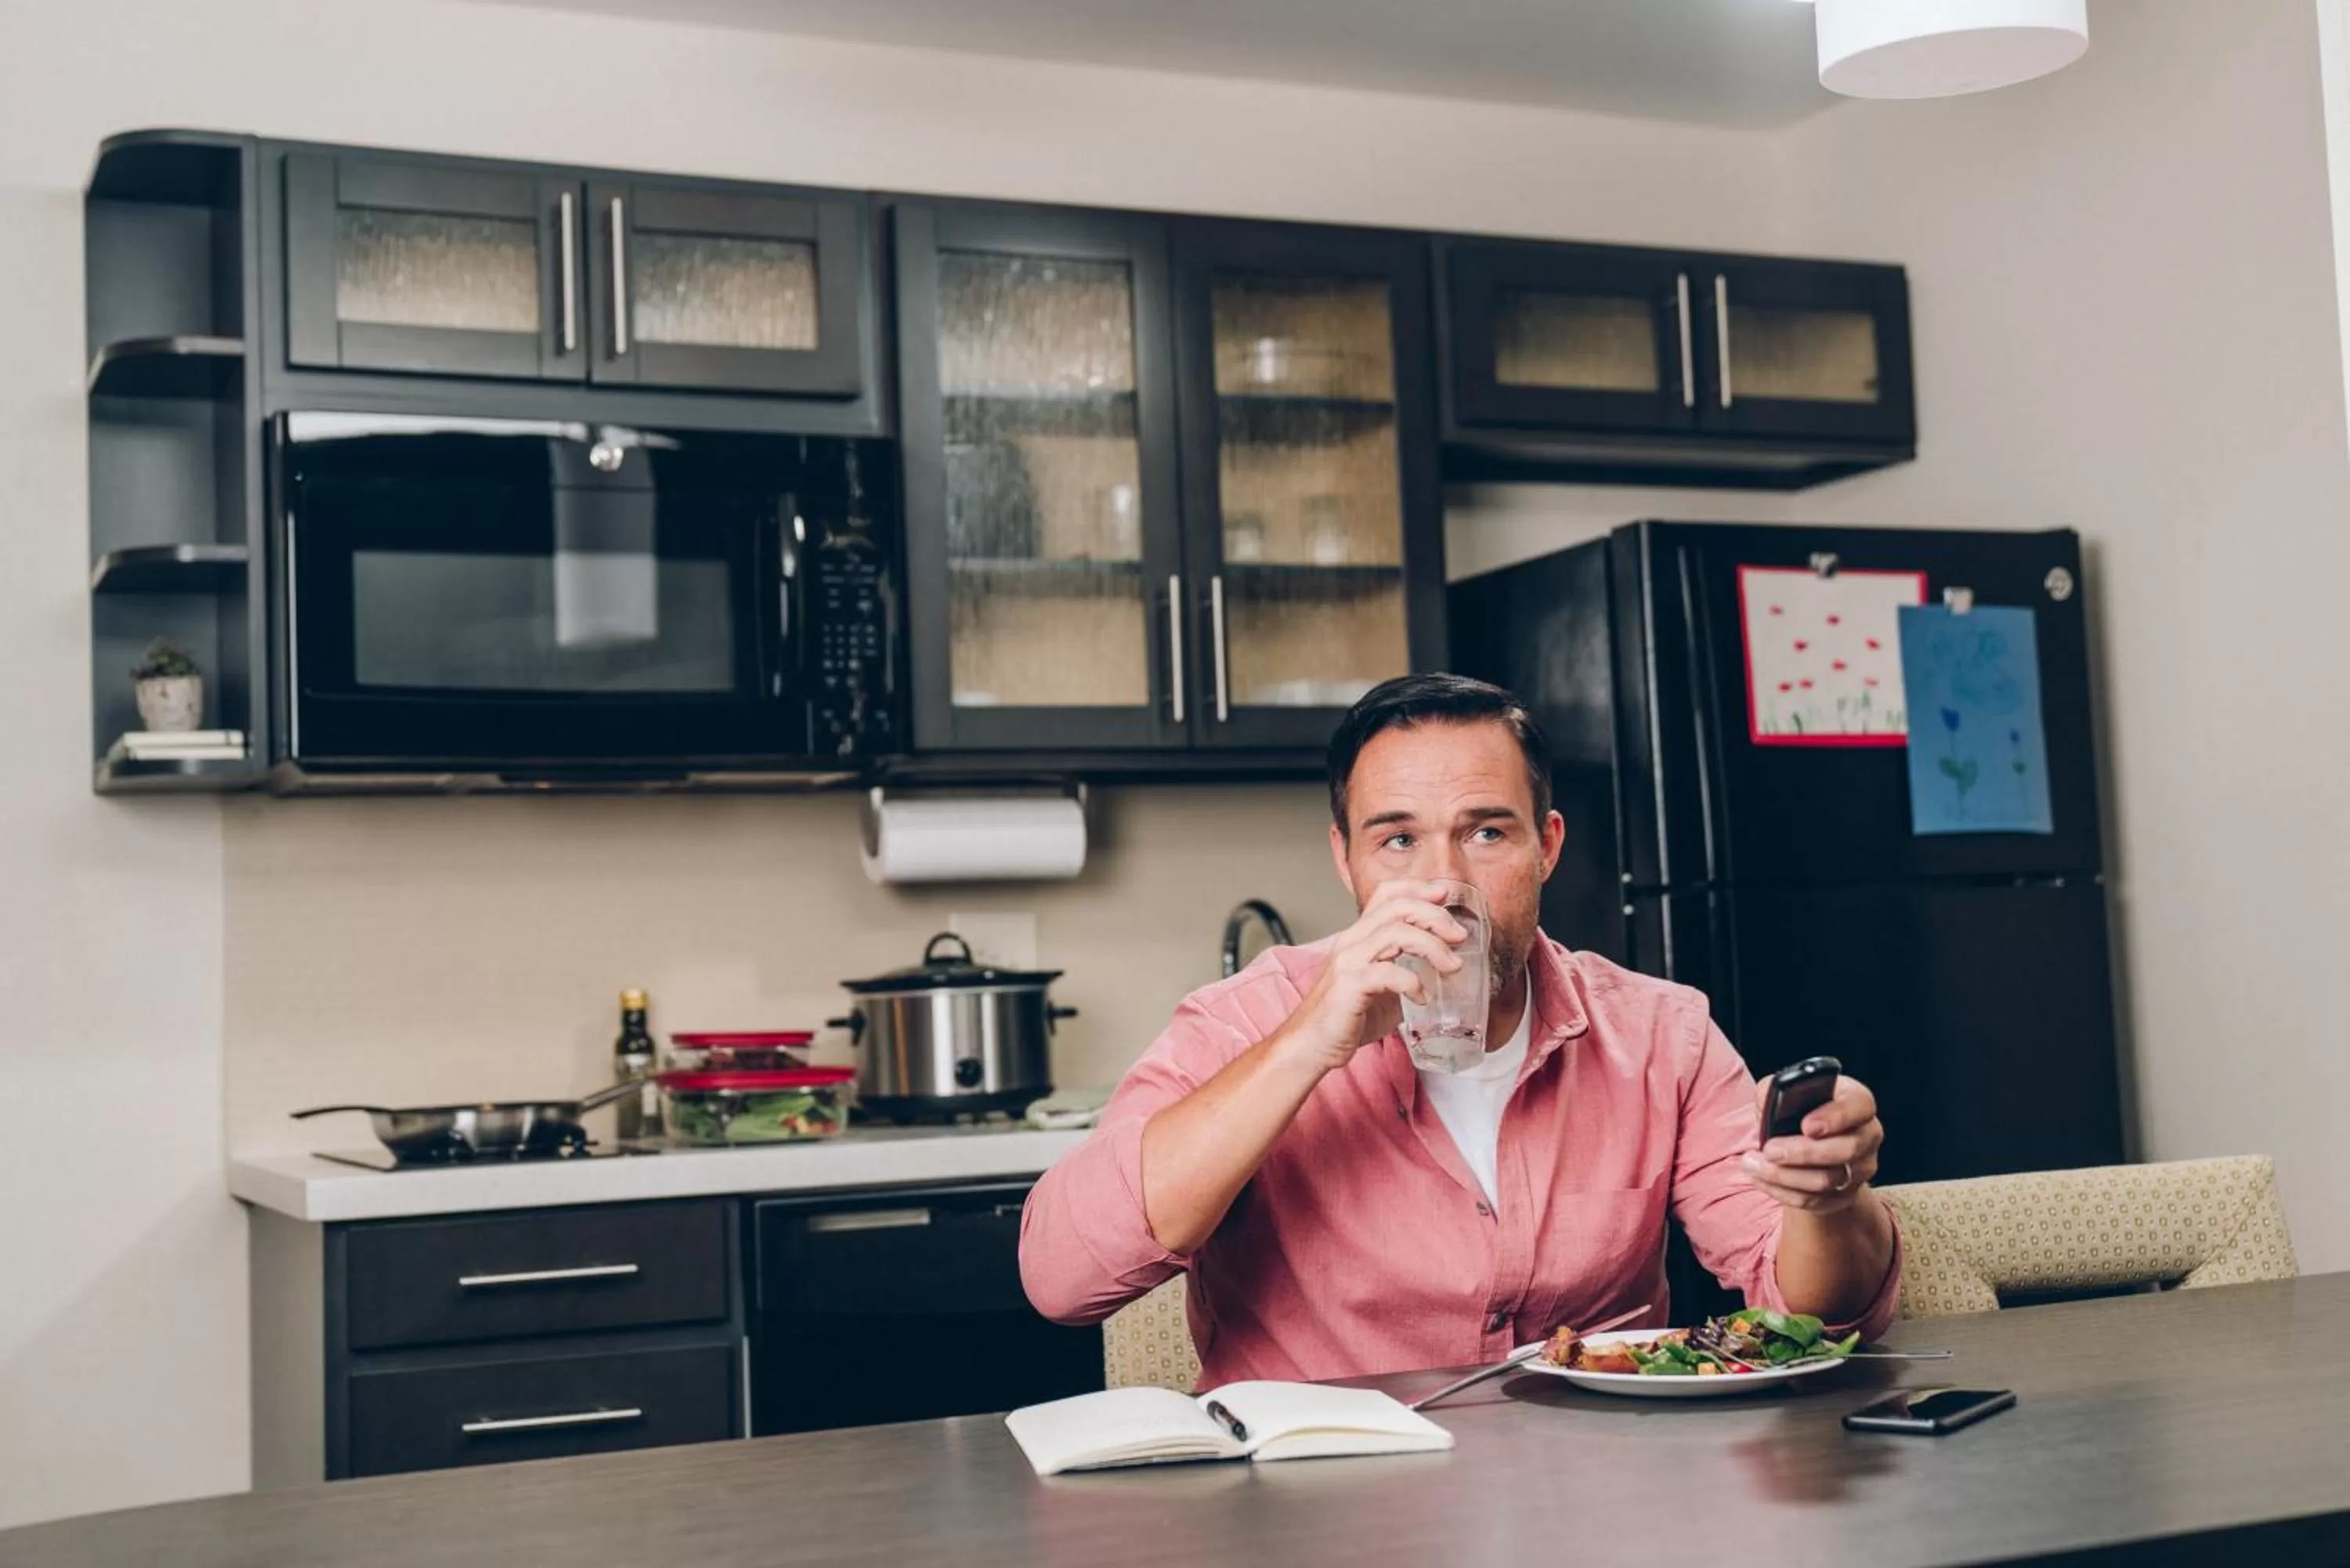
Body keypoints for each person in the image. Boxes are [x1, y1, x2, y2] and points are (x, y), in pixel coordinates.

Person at [1019, 674, 1900, 1386]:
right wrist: (1308, 1044)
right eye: (1398, 841)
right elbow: (1062, 1280)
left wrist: (1826, 1201)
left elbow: (1815, 1314)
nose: (1443, 883)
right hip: (1314, 1511)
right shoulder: (1246, 1018)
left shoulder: (1663, 1032)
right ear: (1346, 859)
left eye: (1485, 831)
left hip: (1598, 1502)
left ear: (1547, 846)